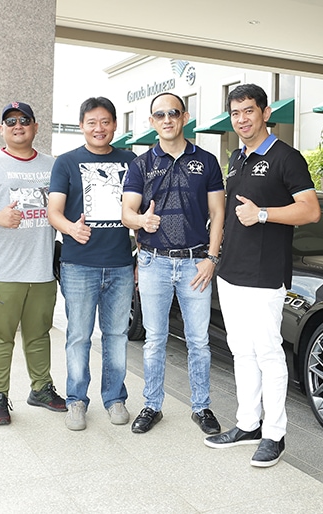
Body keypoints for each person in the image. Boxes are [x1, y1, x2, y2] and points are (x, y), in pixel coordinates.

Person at [203, 84, 320, 467]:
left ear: (265, 113)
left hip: (264, 274)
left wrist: (264, 213)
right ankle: (248, 424)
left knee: (268, 354)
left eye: (249, 111)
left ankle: (274, 435)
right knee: (242, 352)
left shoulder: (287, 157)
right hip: (231, 271)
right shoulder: (236, 157)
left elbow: (310, 210)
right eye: (236, 113)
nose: (242, 119)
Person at [121, 93, 225, 435]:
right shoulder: (140, 164)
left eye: (173, 113)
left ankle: (202, 407)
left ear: (184, 118)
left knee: (199, 341)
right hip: (154, 263)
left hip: (196, 264)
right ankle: (152, 405)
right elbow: (127, 212)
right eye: (160, 115)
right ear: (152, 121)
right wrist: (141, 223)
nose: (167, 119)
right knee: (155, 339)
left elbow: (218, 213)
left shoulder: (207, 161)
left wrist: (212, 258)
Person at [0, 101, 67, 425]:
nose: (17, 125)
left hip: (41, 271)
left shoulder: (55, 165)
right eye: (10, 121)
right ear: (1, 129)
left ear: (35, 127)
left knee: (39, 335)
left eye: (24, 120)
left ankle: (41, 388)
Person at [48, 97, 137, 431]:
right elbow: (53, 211)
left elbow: (139, 211)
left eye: (105, 122)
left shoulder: (131, 161)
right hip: (79, 264)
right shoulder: (67, 162)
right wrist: (71, 228)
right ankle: (76, 401)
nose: (99, 128)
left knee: (116, 335)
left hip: (119, 263)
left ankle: (115, 399)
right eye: (92, 122)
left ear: (115, 125)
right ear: (82, 125)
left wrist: (139, 256)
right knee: (79, 336)